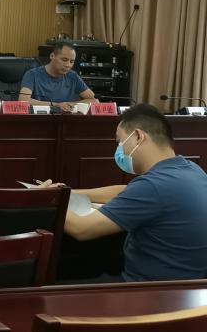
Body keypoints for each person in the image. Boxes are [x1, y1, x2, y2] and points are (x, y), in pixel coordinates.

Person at [57, 104, 207, 282]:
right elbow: (125, 191)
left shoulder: (153, 186)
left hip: (148, 290)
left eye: (119, 142)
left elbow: (81, 229)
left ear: (137, 136)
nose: (118, 149)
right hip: (186, 286)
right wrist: (67, 192)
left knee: (54, 286)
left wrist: (49, 198)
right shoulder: (191, 170)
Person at [19, 42, 96, 110]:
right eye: (64, 60)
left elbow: (93, 100)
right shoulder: (32, 74)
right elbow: (23, 101)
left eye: (72, 61)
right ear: (52, 56)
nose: (68, 65)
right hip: (41, 118)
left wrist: (69, 104)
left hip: (65, 119)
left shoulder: (73, 76)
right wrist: (56, 105)